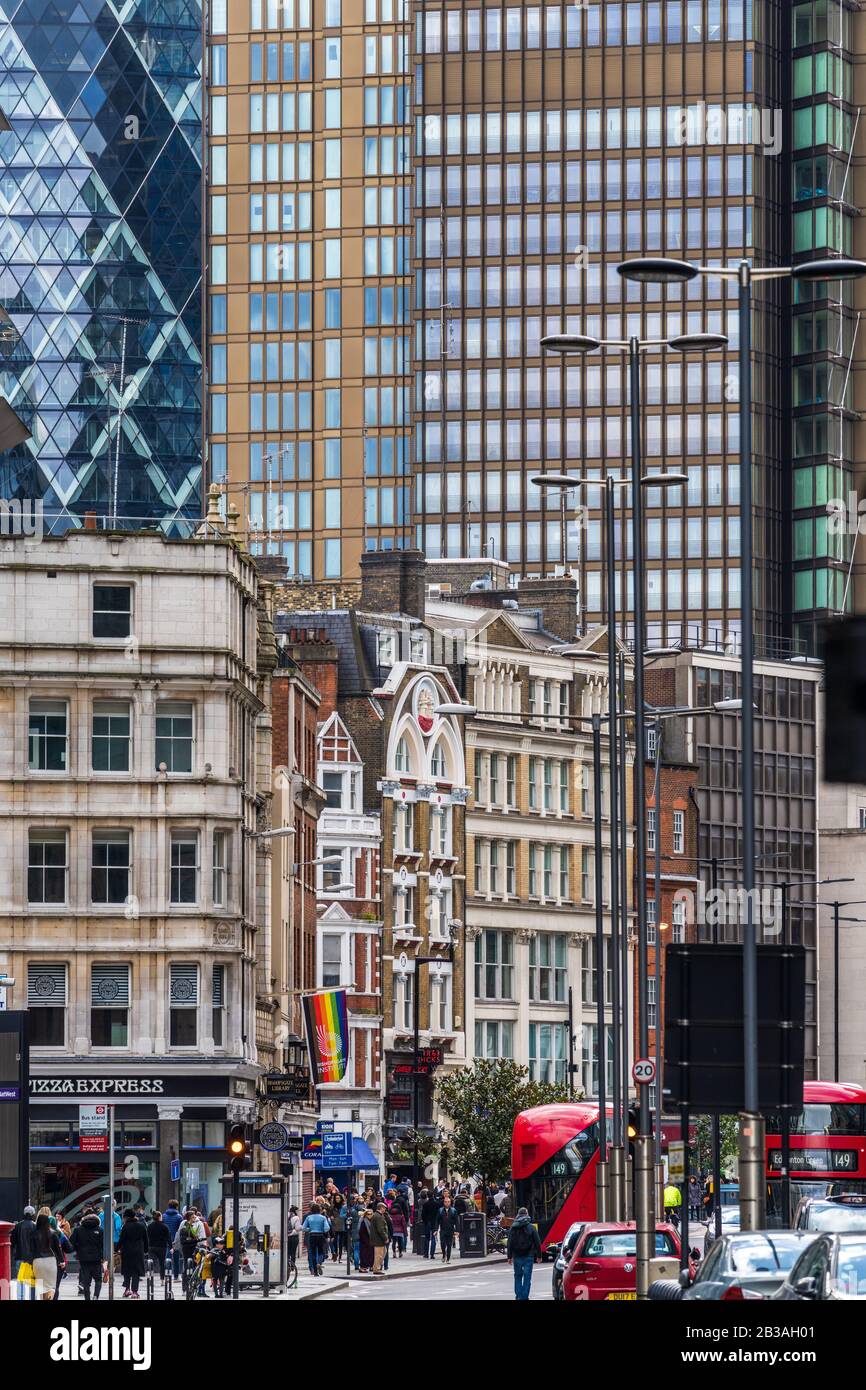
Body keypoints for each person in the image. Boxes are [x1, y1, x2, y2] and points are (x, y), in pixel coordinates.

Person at [506, 1207, 542, 1301]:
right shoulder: (531, 1227)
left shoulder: (513, 1227)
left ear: (518, 1215)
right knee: (527, 1277)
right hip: (528, 1255)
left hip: (517, 1256)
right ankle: (524, 1297)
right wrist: (539, 1255)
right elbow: (537, 1242)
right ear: (527, 1214)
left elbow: (509, 1242)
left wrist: (509, 1256)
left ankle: (519, 1296)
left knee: (517, 1276)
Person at [71, 1207, 104, 1302]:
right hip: (97, 1259)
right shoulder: (100, 1230)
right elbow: (103, 1245)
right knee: (98, 1279)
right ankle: (95, 1297)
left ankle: (87, 1298)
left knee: (86, 1282)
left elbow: (72, 1243)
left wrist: (78, 1249)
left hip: (83, 1259)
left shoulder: (78, 1230)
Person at [32, 1212, 64, 1301]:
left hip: (37, 1262)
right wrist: (62, 1261)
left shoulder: (33, 1234)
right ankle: (50, 1297)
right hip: (51, 1261)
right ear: (48, 1222)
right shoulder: (53, 1234)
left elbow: (31, 1249)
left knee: (41, 1286)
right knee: (51, 1286)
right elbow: (58, 1249)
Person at [118, 1207, 148, 1300]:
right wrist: (146, 1250)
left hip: (127, 1251)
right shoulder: (141, 1226)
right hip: (138, 1251)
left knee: (127, 1271)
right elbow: (146, 1239)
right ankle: (135, 1292)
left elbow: (121, 1240)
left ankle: (127, 1289)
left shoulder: (125, 1227)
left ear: (126, 1217)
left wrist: (116, 1249)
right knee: (136, 1272)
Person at [10, 1204, 38, 1290]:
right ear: (33, 1214)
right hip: (32, 1258)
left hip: (20, 1257)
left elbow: (13, 1242)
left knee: (21, 1280)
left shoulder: (17, 1226)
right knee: (32, 1281)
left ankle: (21, 1297)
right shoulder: (35, 1226)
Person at [302, 1202, 331, 1276]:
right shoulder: (323, 1217)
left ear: (311, 1210)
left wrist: (310, 1229)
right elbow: (327, 1228)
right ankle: (319, 1263)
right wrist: (322, 1230)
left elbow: (303, 1228)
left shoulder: (309, 1217)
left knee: (313, 1253)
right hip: (320, 1235)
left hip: (312, 1235)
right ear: (319, 1210)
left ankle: (315, 1272)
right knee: (321, 1252)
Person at [146, 1210, 172, 1285]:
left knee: (151, 1263)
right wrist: (171, 1247)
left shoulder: (150, 1226)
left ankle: (150, 1279)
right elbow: (168, 1238)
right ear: (160, 1217)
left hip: (151, 1246)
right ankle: (162, 1280)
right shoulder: (164, 1226)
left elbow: (147, 1237)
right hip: (162, 1247)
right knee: (162, 1263)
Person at [162, 1198, 183, 1278]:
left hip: (166, 1239)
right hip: (175, 1240)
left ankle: (167, 1274)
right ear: (176, 1206)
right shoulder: (179, 1217)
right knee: (176, 1259)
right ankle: (176, 1276)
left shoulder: (163, 1216)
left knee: (167, 1257)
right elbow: (181, 1229)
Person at [369, 1203, 390, 1274]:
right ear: (381, 1208)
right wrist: (385, 1238)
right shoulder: (378, 1216)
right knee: (379, 1255)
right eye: (384, 1208)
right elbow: (380, 1229)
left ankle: (377, 1267)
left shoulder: (378, 1215)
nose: (385, 1209)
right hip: (378, 1240)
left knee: (383, 1252)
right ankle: (376, 1269)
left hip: (378, 1239)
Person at [438, 1195, 458, 1263]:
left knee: (449, 1245)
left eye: (448, 1202)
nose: (447, 1203)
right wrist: (435, 1230)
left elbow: (456, 1221)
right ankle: (444, 1254)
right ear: (444, 1202)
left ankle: (448, 1259)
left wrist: (457, 1230)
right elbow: (437, 1221)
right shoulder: (440, 1210)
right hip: (443, 1230)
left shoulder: (453, 1210)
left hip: (450, 1230)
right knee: (442, 1244)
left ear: (450, 1202)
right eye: (446, 1202)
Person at [421, 1187, 439, 1259]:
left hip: (427, 1222)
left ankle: (426, 1253)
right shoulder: (436, 1204)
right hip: (434, 1222)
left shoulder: (425, 1204)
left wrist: (425, 1221)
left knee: (427, 1238)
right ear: (433, 1195)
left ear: (427, 1196)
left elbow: (423, 1215)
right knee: (434, 1238)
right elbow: (438, 1214)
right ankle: (432, 1254)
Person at [329, 1192, 347, 1261]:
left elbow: (346, 1214)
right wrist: (331, 1217)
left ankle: (340, 1255)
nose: (337, 1199)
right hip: (335, 1225)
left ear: (341, 1199)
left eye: (338, 1198)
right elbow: (330, 1214)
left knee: (341, 1241)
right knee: (335, 1240)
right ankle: (335, 1253)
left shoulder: (344, 1207)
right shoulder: (332, 1207)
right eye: (336, 1198)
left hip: (342, 1224)